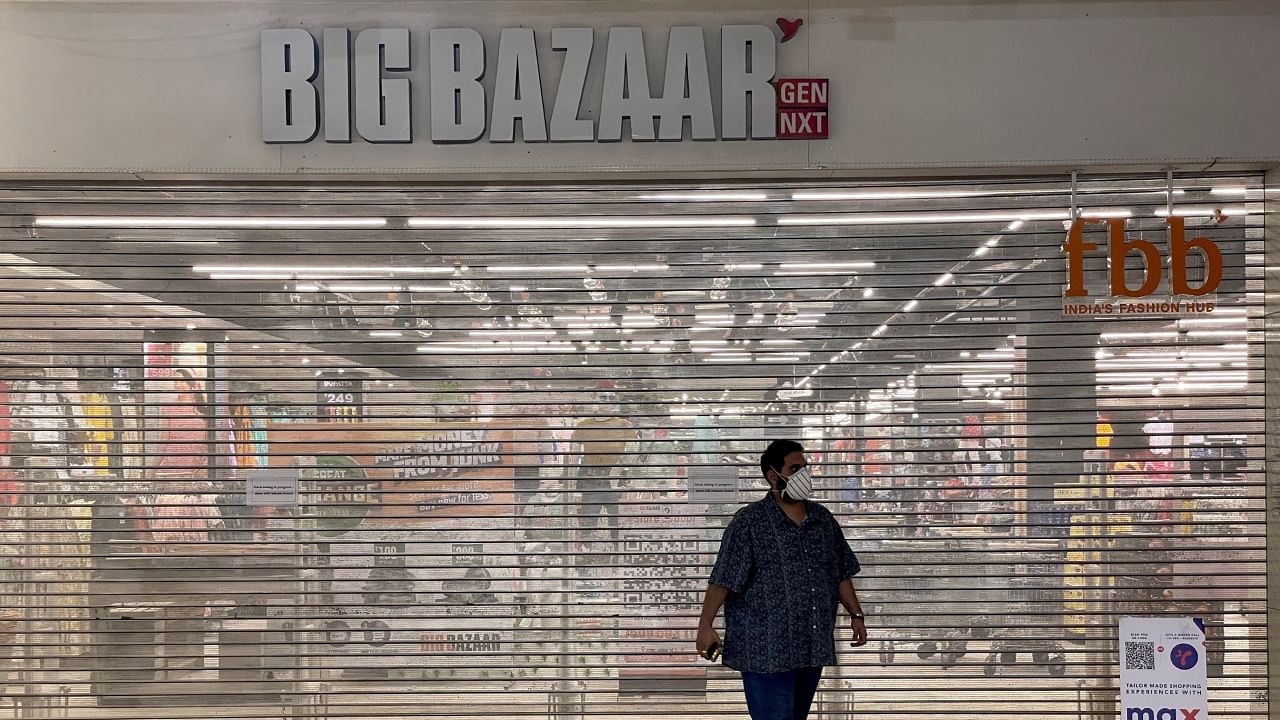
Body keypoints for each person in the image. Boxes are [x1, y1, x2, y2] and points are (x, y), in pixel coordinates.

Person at [696, 439, 867, 720]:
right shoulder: (749, 522)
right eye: (795, 468)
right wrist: (705, 625)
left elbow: (839, 572)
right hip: (766, 650)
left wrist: (856, 614)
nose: (804, 475)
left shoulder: (822, 520)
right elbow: (723, 579)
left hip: (810, 646)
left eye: (806, 468)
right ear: (773, 476)